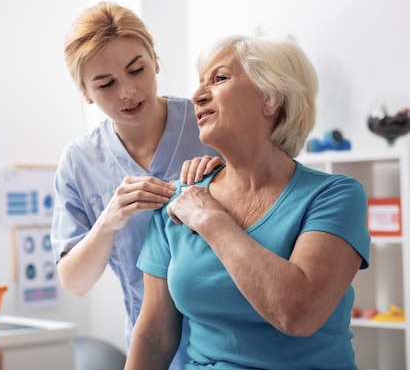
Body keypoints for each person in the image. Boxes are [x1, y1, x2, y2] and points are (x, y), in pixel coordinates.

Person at [126, 35, 371, 370]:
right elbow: (154, 337)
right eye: (200, 83)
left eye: (220, 78)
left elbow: (297, 314)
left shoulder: (335, 196)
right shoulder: (180, 199)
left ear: (270, 99)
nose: (197, 95)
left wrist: (211, 220)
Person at [51, 1, 222, 369]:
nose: (127, 91)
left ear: (155, 60)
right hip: (153, 351)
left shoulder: (207, 126)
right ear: (84, 91)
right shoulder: (81, 162)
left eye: (136, 70)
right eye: (106, 83)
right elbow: (75, 283)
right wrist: (107, 222)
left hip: (232, 342)